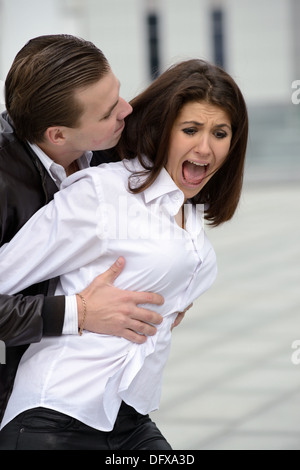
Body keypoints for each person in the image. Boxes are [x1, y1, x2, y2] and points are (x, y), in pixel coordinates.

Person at [0, 59, 248, 450]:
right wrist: (79, 310)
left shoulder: (190, 212)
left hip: (127, 417)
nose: (205, 147)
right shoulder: (103, 192)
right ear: (162, 130)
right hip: (57, 420)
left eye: (220, 133)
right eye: (190, 130)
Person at [0, 35, 165, 423]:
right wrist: (79, 312)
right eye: (108, 112)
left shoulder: (112, 141)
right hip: (20, 399)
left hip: (94, 385)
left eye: (119, 92)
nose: (127, 110)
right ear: (57, 135)